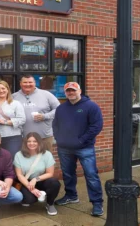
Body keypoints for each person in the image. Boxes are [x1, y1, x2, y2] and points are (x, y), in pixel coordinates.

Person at [52, 82, 104, 216]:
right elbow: (55, 125)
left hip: (84, 147)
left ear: (79, 91)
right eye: (68, 91)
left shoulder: (91, 106)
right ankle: (71, 195)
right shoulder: (61, 108)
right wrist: (59, 139)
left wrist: (81, 140)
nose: (71, 93)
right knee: (68, 174)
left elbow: (96, 126)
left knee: (91, 175)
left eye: (73, 90)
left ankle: (97, 202)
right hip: (64, 148)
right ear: (65, 93)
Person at [13, 132, 61, 215]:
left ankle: (50, 203)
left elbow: (50, 173)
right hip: (24, 181)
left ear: (39, 142)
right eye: (29, 141)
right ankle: (31, 196)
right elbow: (19, 175)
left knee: (54, 183)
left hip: (40, 179)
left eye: (35, 141)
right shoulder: (18, 155)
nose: (32, 143)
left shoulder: (47, 154)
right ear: (25, 143)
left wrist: (36, 179)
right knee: (30, 200)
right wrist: (31, 188)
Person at [13, 74, 60, 151]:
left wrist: (45, 116)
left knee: (45, 160)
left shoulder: (46, 94)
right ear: (20, 83)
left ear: (35, 83)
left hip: (45, 136)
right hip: (23, 138)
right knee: (26, 160)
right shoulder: (14, 97)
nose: (28, 84)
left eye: (30, 82)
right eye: (25, 82)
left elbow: (59, 109)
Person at [0, 80, 26, 157]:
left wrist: (4, 122)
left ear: (7, 89)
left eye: (3, 88)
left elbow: (22, 119)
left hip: (13, 136)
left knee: (11, 159)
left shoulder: (16, 103)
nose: (1, 91)